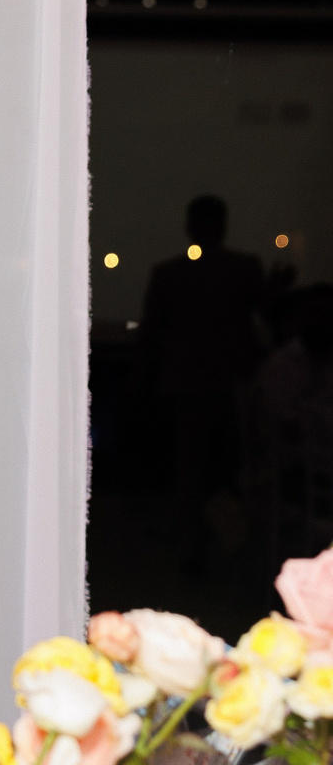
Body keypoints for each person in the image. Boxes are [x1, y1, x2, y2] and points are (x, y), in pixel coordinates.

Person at [136, 194, 265, 575]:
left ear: (189, 226)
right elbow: (267, 316)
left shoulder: (170, 274)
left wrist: (143, 381)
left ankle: (195, 547)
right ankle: (231, 544)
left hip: (189, 386)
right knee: (231, 470)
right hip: (230, 386)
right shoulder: (243, 269)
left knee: (192, 472)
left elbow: (150, 334)